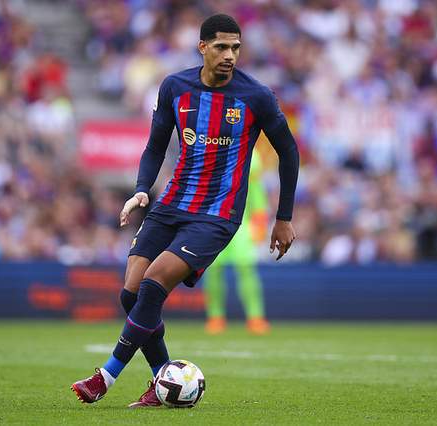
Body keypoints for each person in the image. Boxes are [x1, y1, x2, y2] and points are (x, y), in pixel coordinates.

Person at [71, 13, 299, 408]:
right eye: (222, 47)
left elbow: (289, 151)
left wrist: (284, 217)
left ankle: (104, 377)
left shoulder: (256, 96)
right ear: (203, 47)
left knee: (153, 282)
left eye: (236, 48)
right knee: (131, 293)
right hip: (173, 202)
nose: (230, 55)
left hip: (217, 214)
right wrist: (141, 190)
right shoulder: (175, 87)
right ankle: (163, 380)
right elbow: (155, 145)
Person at [203, 155, 271, 335]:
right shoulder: (212, 148)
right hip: (214, 220)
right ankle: (215, 317)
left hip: (242, 224)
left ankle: (255, 317)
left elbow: (256, 191)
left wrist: (260, 221)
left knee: (246, 268)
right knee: (213, 270)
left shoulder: (251, 154)